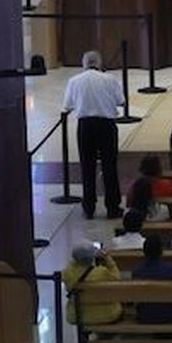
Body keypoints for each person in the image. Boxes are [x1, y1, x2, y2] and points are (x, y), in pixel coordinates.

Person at [63, 51, 124, 219]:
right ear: (99, 63)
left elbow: (67, 105)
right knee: (109, 166)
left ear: (83, 64)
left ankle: (89, 207)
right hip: (106, 125)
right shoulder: (110, 79)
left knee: (87, 166)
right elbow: (121, 101)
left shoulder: (74, 81)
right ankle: (112, 206)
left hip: (85, 126)